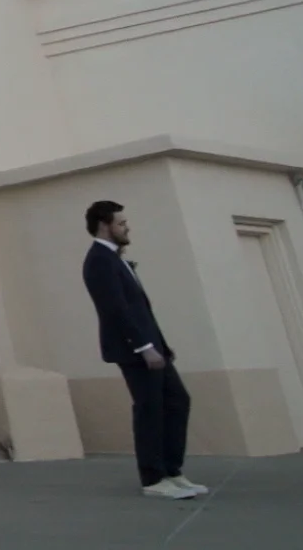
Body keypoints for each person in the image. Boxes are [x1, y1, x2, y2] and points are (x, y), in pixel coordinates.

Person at [82, 200, 208, 500]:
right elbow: (115, 309)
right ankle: (153, 478)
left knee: (177, 401)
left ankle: (172, 471)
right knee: (149, 409)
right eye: (121, 223)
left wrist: (160, 345)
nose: (127, 227)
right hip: (135, 350)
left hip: (152, 346)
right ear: (104, 225)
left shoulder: (115, 258)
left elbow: (141, 309)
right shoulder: (99, 260)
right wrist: (143, 347)